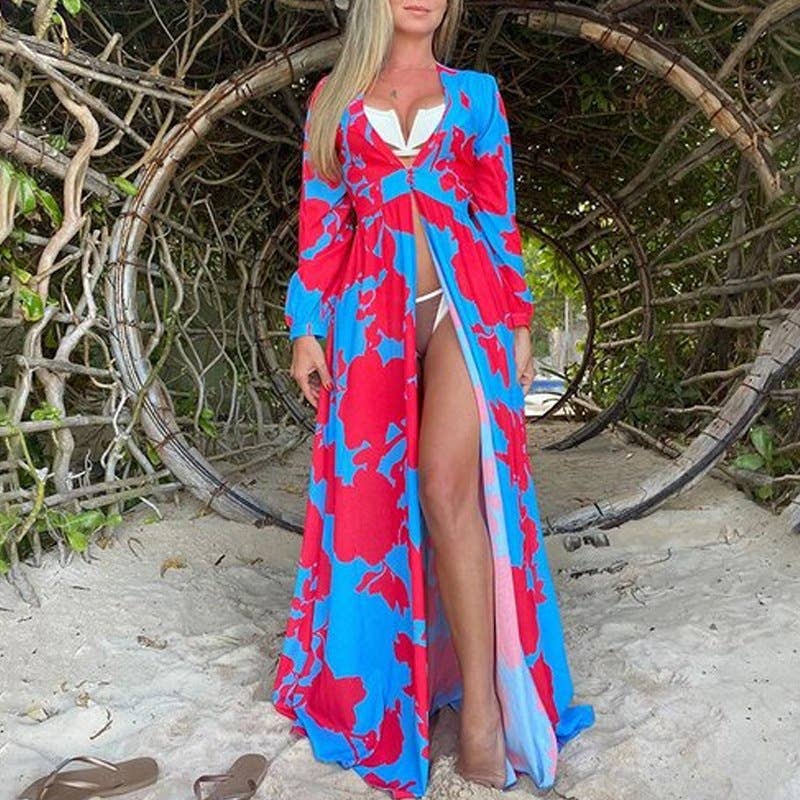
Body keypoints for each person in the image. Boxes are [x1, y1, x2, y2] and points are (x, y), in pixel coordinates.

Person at [271, 1, 595, 797]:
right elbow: (323, 224)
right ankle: (396, 689)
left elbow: (498, 214)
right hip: (369, 317)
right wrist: (305, 328)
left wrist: (519, 319)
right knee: (375, 502)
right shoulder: (332, 101)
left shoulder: (477, 95)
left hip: (464, 304)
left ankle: (481, 712)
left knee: (448, 488)